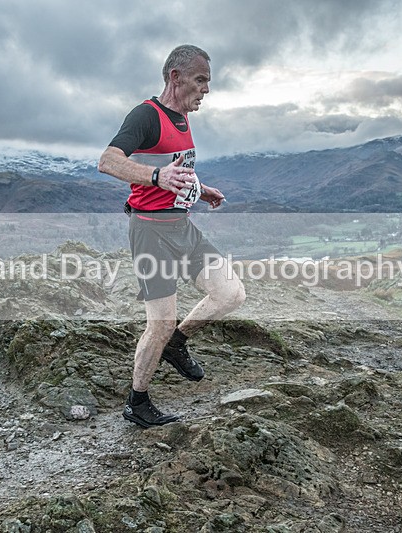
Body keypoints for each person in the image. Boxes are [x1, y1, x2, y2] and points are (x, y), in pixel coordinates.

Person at [98, 44, 246, 428]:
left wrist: (201, 187)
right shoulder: (146, 115)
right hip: (150, 232)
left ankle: (177, 344)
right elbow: (108, 161)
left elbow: (173, 168)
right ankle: (138, 401)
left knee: (231, 294)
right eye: (201, 80)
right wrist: (155, 177)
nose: (206, 90)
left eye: (208, 82)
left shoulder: (182, 118)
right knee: (159, 323)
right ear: (175, 78)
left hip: (182, 226)